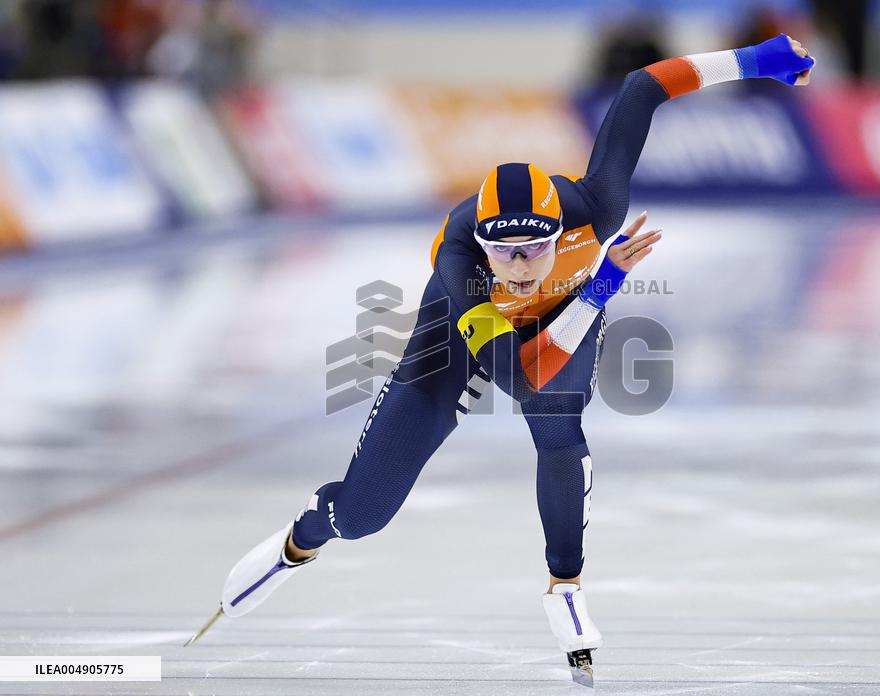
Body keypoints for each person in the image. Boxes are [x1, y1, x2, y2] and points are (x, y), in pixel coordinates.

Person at [187, 33, 815, 686]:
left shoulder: (595, 210)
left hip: (561, 320)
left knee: (558, 428)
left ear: (559, 231)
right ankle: (305, 538)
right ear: (479, 240)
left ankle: (564, 585)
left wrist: (762, 59)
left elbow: (642, 89)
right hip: (459, 336)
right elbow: (520, 372)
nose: (517, 266)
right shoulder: (459, 263)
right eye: (502, 251)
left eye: (533, 250)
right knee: (363, 515)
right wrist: (599, 287)